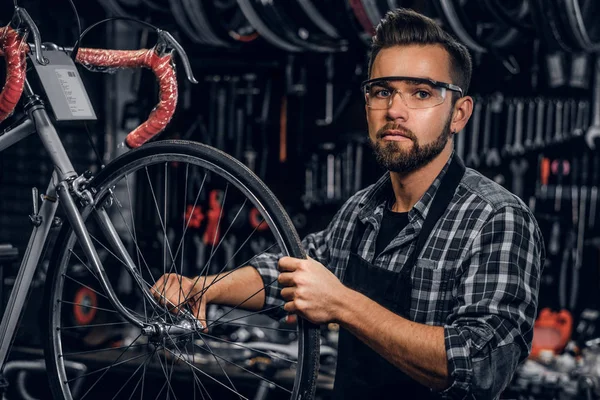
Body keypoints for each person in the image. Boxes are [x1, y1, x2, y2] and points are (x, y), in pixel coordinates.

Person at [152, 8, 545, 399]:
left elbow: (479, 366)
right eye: (382, 91)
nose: (395, 110)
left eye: (421, 93)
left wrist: (342, 303)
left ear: (459, 113)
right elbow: (289, 273)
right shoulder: (361, 210)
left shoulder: (495, 218)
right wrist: (204, 287)